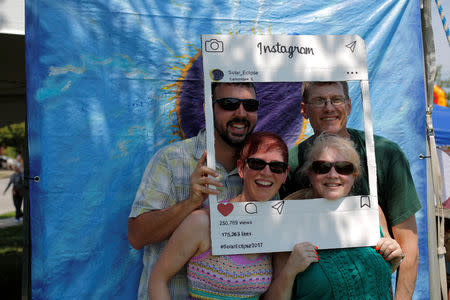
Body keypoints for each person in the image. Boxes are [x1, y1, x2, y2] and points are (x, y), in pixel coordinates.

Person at [282, 81, 421, 299]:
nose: (329, 107)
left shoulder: (385, 155)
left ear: (348, 105)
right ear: (304, 110)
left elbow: (407, 244)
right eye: (319, 101)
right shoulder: (289, 164)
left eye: (336, 99)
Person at [128, 82, 259, 299]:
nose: (241, 113)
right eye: (229, 104)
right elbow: (137, 236)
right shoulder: (171, 159)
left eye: (250, 105)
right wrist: (191, 203)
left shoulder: (260, 171)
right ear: (208, 108)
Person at [149, 132, 289, 299]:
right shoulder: (203, 222)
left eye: (276, 167)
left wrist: (292, 268)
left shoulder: (277, 229)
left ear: (285, 174)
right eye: (257, 164)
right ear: (241, 169)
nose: (266, 172)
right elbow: (158, 279)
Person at [266, 134, 404, 299]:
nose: (332, 174)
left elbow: (374, 272)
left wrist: (393, 259)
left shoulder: (372, 212)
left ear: (354, 175)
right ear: (310, 174)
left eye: (343, 167)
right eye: (322, 167)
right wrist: (290, 270)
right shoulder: (288, 220)